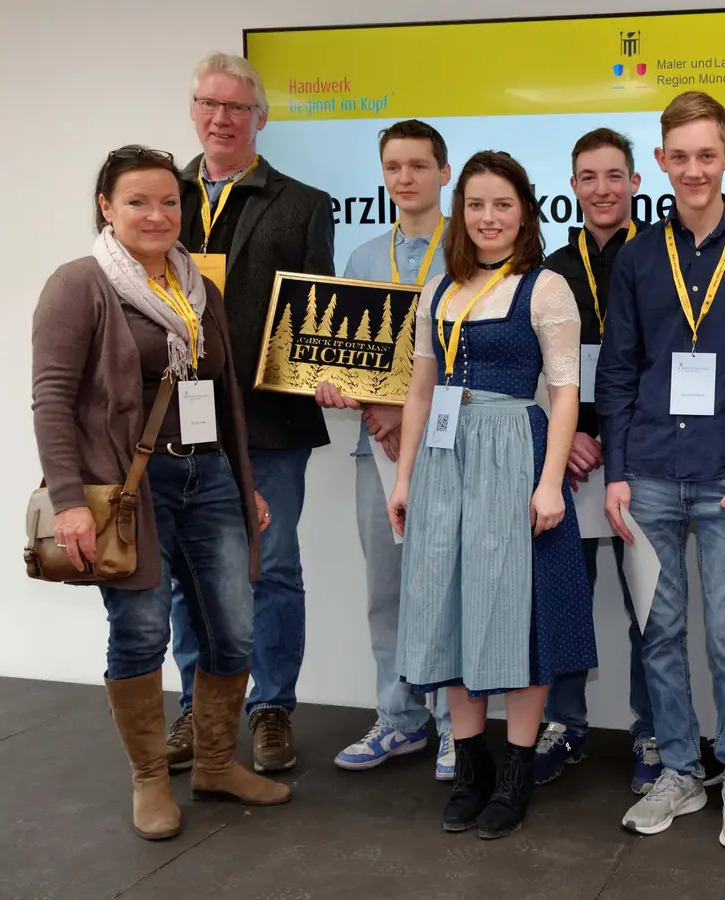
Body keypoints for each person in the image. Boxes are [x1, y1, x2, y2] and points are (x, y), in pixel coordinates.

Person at [31, 145, 288, 841]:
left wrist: (243, 482)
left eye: (169, 201)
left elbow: (221, 392)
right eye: (138, 201)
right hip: (127, 491)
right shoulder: (80, 283)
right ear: (106, 208)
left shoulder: (196, 286)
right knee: (140, 629)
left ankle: (214, 764)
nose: (156, 214)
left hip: (207, 479)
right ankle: (150, 778)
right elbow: (51, 399)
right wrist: (69, 500)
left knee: (233, 626)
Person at [596, 90, 725, 849]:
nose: (694, 169)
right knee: (660, 631)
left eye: (708, 155)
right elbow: (618, 370)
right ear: (662, 163)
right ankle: (680, 769)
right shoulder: (641, 256)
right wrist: (616, 469)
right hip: (647, 473)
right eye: (680, 157)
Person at [390, 150, 598, 840]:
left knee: (519, 610)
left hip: (517, 451)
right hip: (448, 459)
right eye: (476, 204)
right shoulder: (438, 289)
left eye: (502, 205)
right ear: (462, 212)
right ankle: (471, 765)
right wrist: (405, 478)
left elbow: (565, 393)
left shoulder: (545, 288)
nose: (488, 217)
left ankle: (515, 770)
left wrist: (550, 482)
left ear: (524, 213)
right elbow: (421, 390)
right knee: (453, 602)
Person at [164, 52, 336, 776]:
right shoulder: (159, 196)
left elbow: (318, 311)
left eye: (237, 107)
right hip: (177, 421)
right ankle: (196, 710)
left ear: (260, 118)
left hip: (269, 421)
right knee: (186, 570)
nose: (221, 118)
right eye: (210, 104)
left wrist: (325, 373)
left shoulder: (302, 203)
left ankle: (271, 709)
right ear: (194, 111)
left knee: (275, 566)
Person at [319, 119, 456, 780]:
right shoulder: (365, 259)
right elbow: (346, 360)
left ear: (444, 173)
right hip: (376, 451)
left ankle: (461, 724)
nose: (406, 178)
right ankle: (401, 719)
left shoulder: (474, 250)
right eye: (394, 167)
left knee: (457, 588)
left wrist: (410, 412)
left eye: (419, 166)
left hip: (454, 449)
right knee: (387, 593)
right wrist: (355, 400)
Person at [532, 127, 660, 794]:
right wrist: (574, 436)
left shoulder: (665, 260)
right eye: (589, 176)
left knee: (647, 606)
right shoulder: (551, 269)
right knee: (564, 601)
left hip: (639, 460)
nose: (603, 189)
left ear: (636, 183)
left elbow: (669, 365)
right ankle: (564, 722)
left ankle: (651, 729)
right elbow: (540, 368)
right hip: (571, 461)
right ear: (574, 187)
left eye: (616, 176)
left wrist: (619, 439)